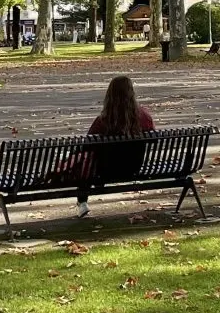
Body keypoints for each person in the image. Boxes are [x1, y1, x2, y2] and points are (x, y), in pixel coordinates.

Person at [67, 75, 156, 216]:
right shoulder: (144, 116)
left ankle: (82, 201)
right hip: (133, 166)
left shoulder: (103, 120)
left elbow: (87, 144)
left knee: (86, 162)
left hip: (106, 169)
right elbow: (153, 139)